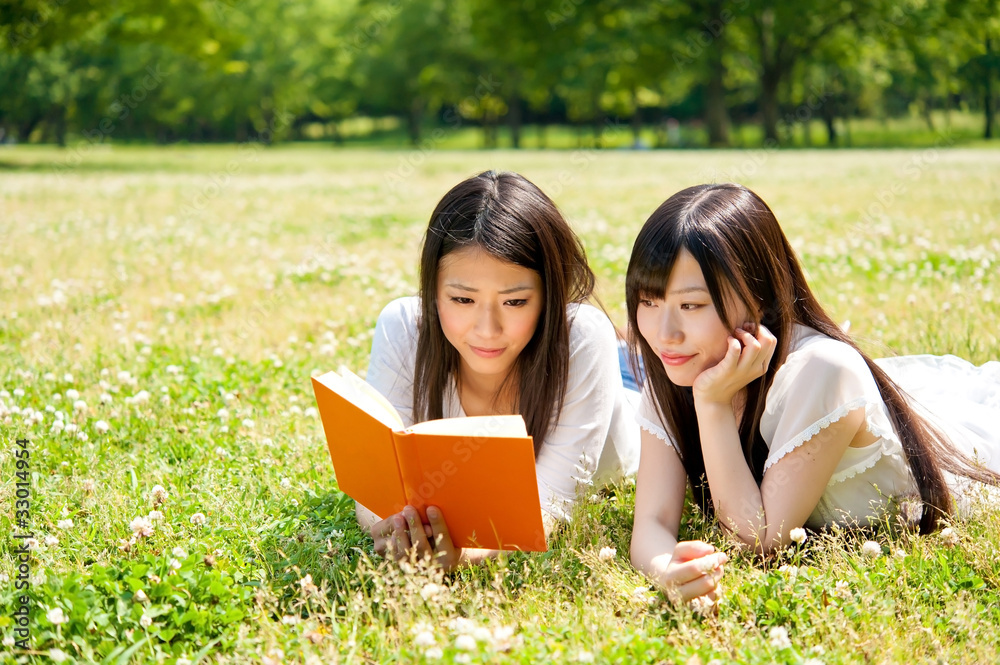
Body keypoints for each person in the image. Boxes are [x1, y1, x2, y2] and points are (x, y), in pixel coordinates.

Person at [626, 183, 1000, 603]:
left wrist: (711, 404)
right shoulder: (677, 367)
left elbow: (757, 540)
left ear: (758, 298)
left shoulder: (822, 371)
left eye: (691, 306)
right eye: (648, 302)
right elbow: (653, 522)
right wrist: (667, 570)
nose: (664, 334)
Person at [357, 170, 640, 570]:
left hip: (631, 394)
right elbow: (375, 495)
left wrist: (467, 553)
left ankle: (633, 345)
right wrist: (394, 531)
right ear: (433, 291)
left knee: (638, 360)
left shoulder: (580, 338)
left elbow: (552, 503)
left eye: (515, 303)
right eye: (462, 299)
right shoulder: (405, 325)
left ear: (549, 297)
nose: (487, 330)